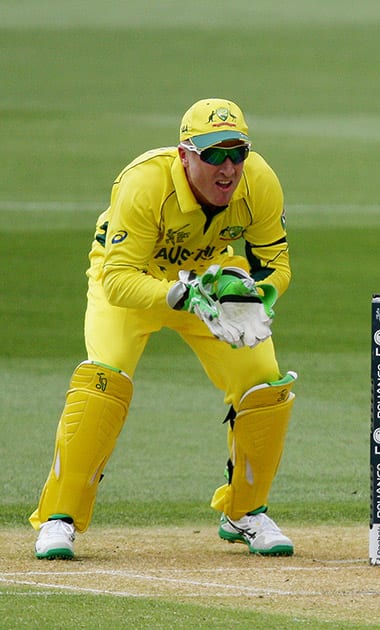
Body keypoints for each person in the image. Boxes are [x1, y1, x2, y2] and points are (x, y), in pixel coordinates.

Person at [31, 98, 298, 560]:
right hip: (137, 285)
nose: (228, 168)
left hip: (213, 292)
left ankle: (245, 512)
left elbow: (276, 265)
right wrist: (179, 294)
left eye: (237, 153)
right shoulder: (144, 183)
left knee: (264, 383)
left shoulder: (261, 183)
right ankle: (59, 519)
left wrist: (258, 296)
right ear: (184, 154)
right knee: (104, 380)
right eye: (213, 154)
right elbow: (116, 279)